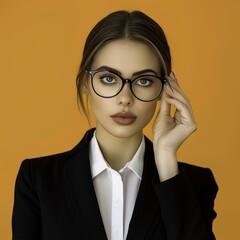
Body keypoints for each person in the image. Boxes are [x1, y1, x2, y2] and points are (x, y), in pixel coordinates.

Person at [12, 10, 218, 240]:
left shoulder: (192, 184)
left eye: (144, 81)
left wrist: (167, 164)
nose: (125, 98)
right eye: (109, 78)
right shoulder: (38, 180)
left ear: (165, 90)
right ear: (85, 83)